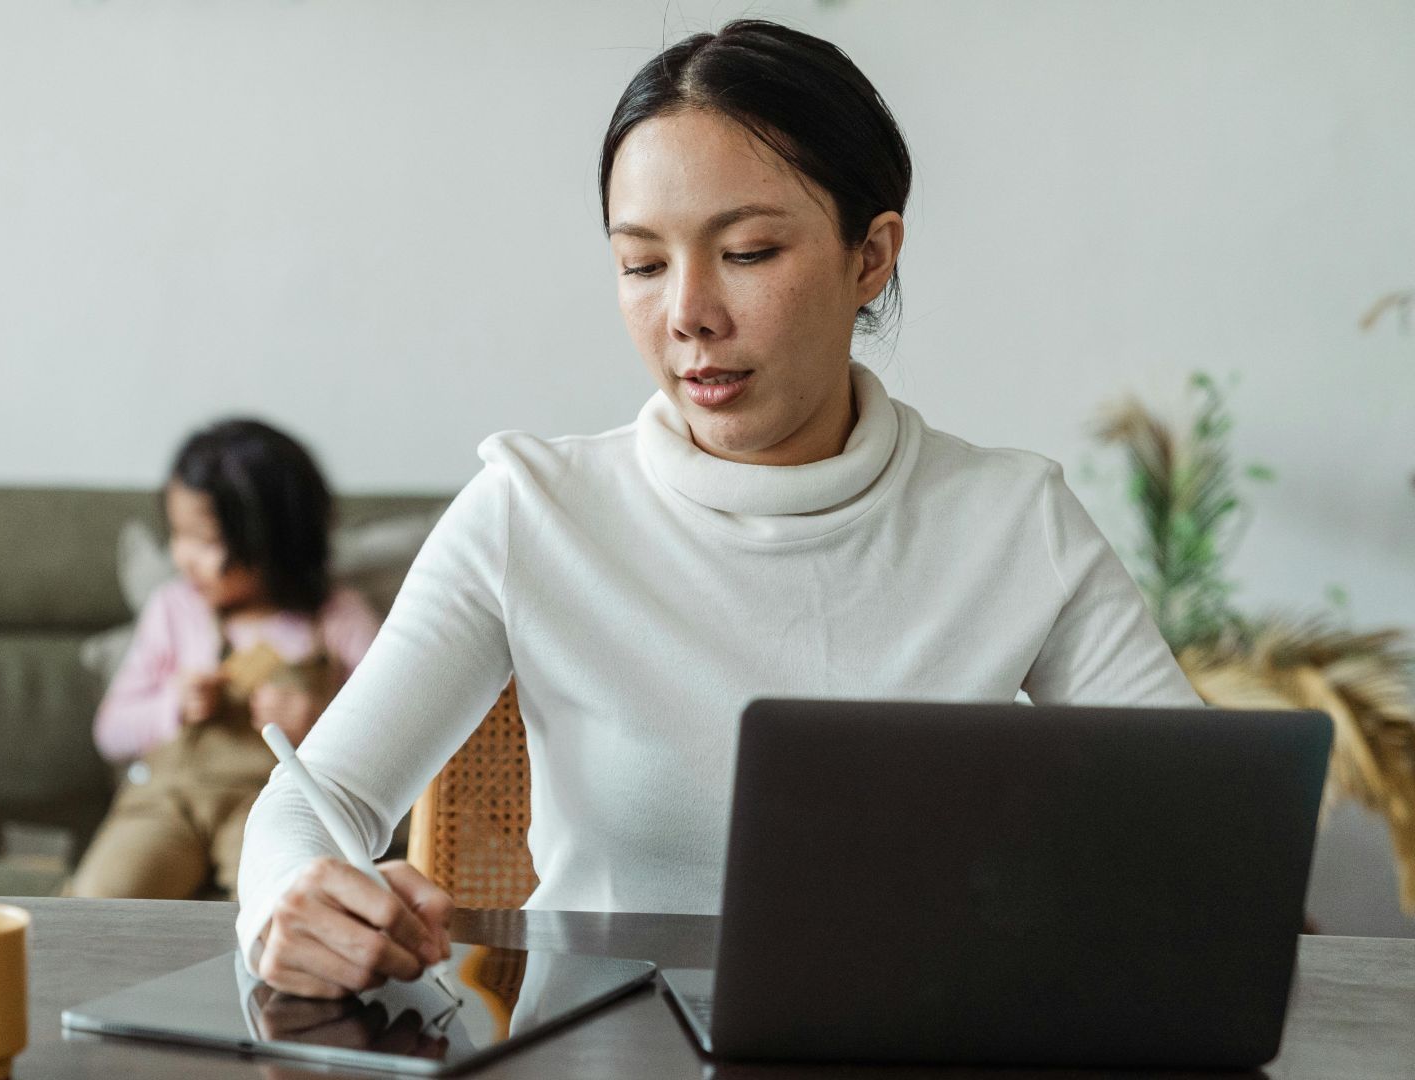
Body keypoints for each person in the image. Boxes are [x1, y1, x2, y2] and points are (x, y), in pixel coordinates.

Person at [234, 20, 1203, 999]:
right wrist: (292, 900)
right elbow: (316, 803)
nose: (689, 312)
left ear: (871, 256)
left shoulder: (1010, 520)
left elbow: (1203, 823)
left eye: (747, 250)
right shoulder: (533, 512)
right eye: (643, 264)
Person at [71, 419, 381, 900]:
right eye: (177, 535)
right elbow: (110, 732)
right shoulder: (174, 609)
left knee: (282, 905)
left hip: (276, 802)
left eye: (206, 542)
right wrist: (172, 706)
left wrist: (316, 727)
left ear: (276, 540)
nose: (183, 557)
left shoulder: (338, 619)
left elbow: (390, 736)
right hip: (166, 801)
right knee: (102, 897)